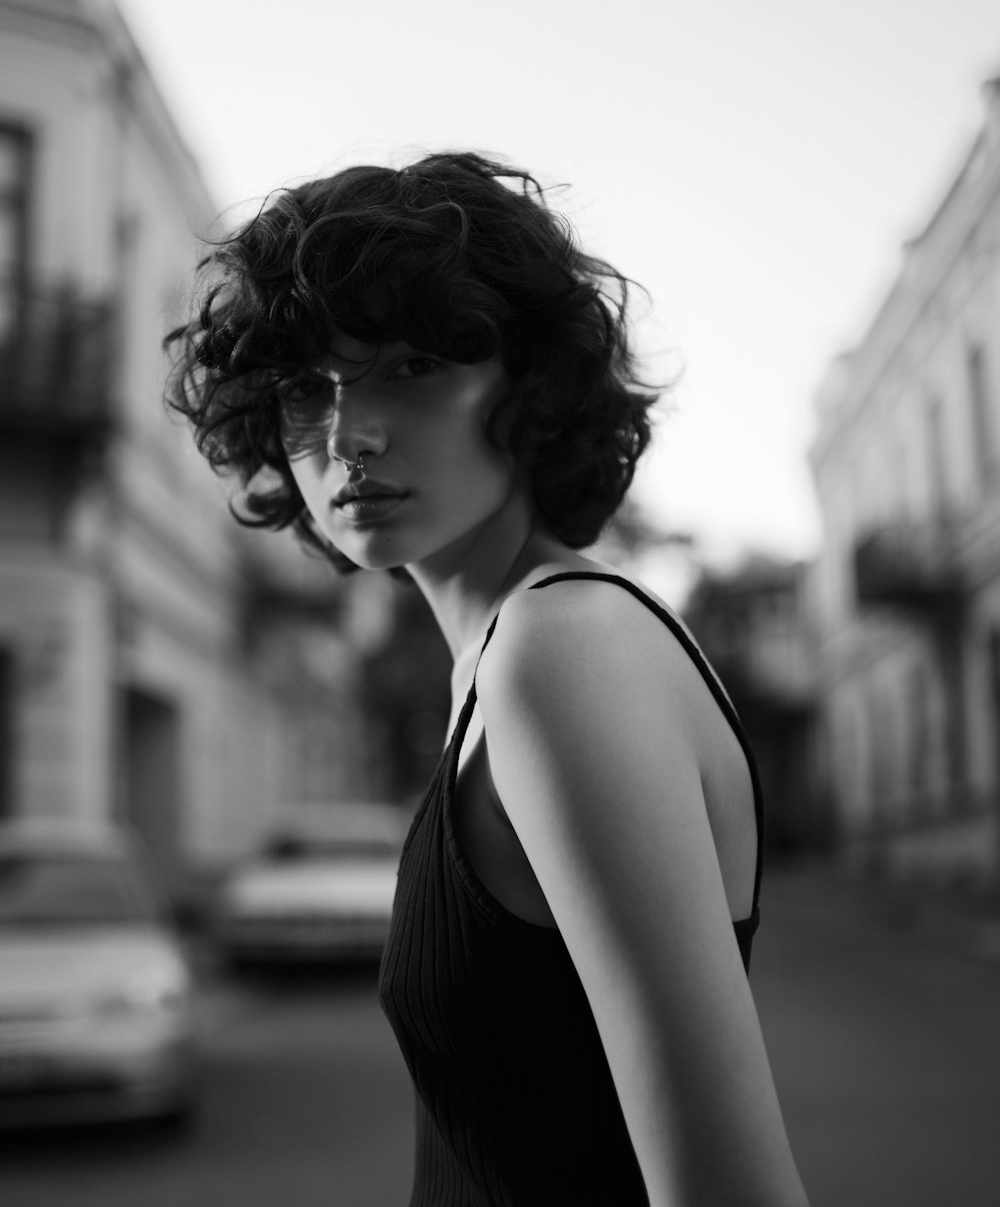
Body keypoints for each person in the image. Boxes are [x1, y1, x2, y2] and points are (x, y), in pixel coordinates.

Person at [166, 151, 809, 1207]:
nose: (348, 435)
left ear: (534, 387)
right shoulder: (510, 653)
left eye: (412, 365)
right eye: (304, 389)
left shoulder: (564, 650)